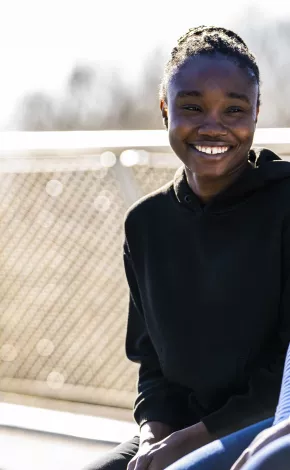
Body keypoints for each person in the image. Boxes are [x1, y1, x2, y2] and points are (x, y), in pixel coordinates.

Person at [84, 26, 290, 470]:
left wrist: (185, 446)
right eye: (192, 106)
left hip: (272, 426)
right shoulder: (145, 223)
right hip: (185, 428)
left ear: (256, 111)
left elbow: (285, 374)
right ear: (164, 107)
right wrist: (152, 438)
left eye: (234, 109)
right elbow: (153, 367)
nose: (212, 126)